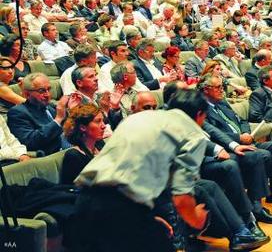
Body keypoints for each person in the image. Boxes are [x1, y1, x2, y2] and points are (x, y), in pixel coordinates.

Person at [72, 90, 210, 252]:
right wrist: (196, 218)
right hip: (122, 209)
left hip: (85, 201)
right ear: (200, 114)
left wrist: (147, 216)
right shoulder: (194, 135)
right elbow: (181, 198)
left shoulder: (138, 118)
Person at [199, 74, 272, 207]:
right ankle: (255, 204)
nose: (222, 90)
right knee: (262, 155)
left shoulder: (222, 102)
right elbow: (213, 134)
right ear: (205, 90)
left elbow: (241, 120)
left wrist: (245, 133)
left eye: (222, 86)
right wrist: (238, 138)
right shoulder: (201, 109)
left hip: (244, 141)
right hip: (226, 147)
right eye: (218, 87)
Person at [8, 73, 67, 155]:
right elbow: (31, 142)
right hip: (51, 155)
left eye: (49, 89)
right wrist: (58, 119)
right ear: (27, 94)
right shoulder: (17, 113)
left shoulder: (50, 107)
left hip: (67, 147)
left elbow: (67, 128)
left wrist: (71, 110)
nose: (48, 94)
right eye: (42, 91)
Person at [61, 104, 106, 184]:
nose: (104, 126)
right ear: (83, 127)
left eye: (103, 121)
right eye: (98, 121)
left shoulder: (99, 144)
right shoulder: (73, 155)